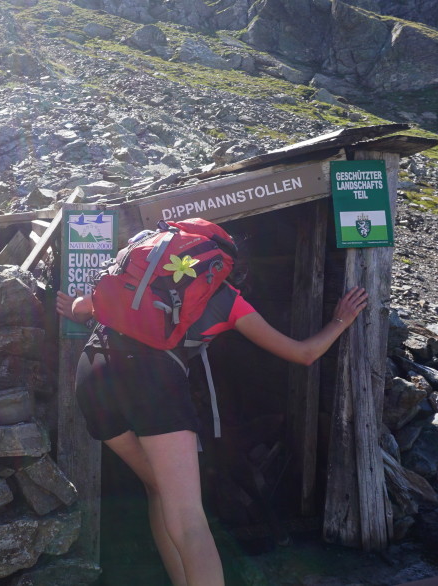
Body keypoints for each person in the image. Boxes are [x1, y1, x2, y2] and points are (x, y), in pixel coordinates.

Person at [56, 231, 368, 586]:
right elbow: (304, 354)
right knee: (190, 519)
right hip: (152, 381)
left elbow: (86, 306)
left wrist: (73, 308)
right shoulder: (228, 300)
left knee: (158, 487)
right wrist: (340, 321)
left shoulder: (143, 280)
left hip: (94, 373)